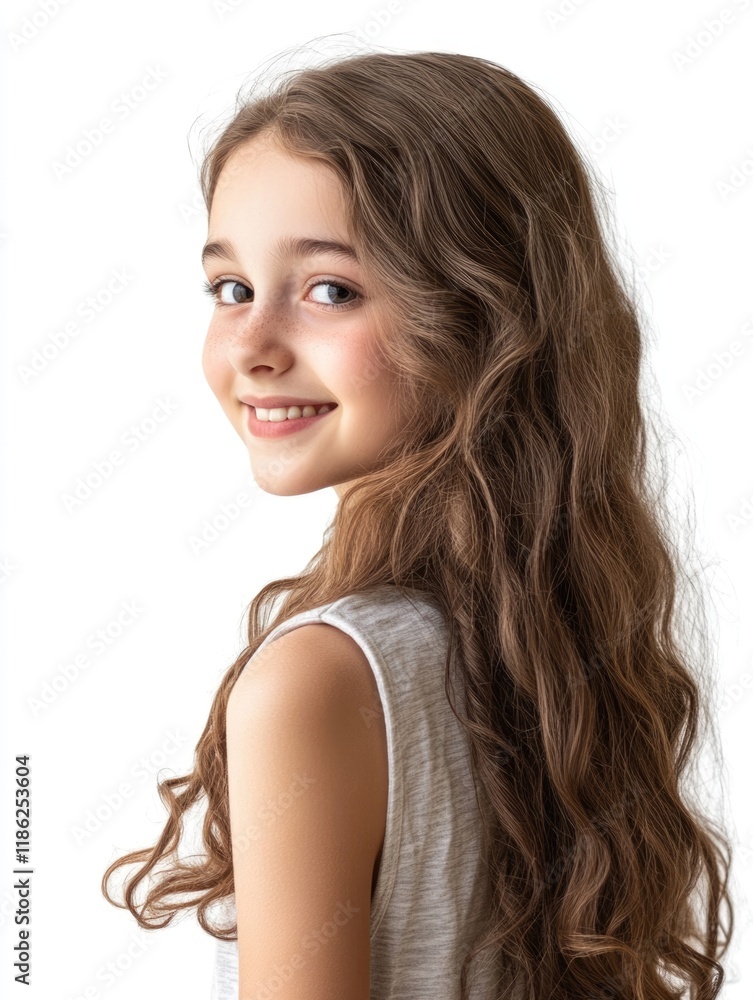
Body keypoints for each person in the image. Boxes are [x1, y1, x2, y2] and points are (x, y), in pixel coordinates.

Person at [101, 46, 734, 999]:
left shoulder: (314, 681)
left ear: (480, 315)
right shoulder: (551, 652)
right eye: (229, 288)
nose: (252, 345)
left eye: (331, 290)